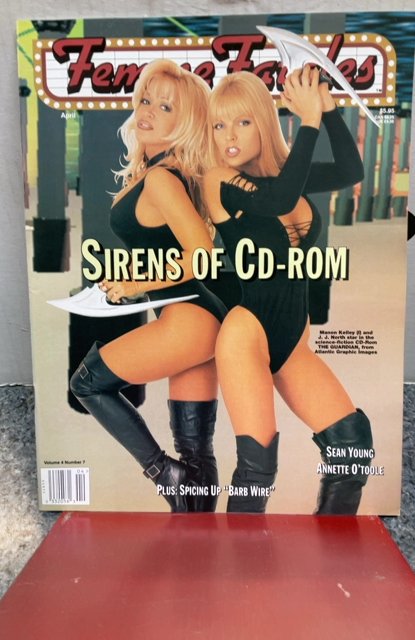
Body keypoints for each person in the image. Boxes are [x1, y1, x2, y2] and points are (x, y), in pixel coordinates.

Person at [203, 66, 373, 514]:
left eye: (242, 121)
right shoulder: (217, 180)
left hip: (293, 340)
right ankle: (238, 557)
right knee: (258, 471)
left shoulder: (288, 176)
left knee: (353, 449)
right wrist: (310, 121)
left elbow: (351, 169)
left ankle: (333, 545)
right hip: (247, 334)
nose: (228, 136)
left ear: (263, 120)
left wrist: (328, 110)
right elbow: (275, 203)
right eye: (218, 125)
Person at [70, 59, 227, 513]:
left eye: (165, 107)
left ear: (186, 122)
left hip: (189, 322)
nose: (148, 111)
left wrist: (138, 283)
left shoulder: (161, 178)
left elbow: (201, 254)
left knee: (87, 383)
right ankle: (196, 532)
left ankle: (163, 472)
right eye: (145, 100)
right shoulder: (160, 170)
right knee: (197, 455)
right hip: (198, 322)